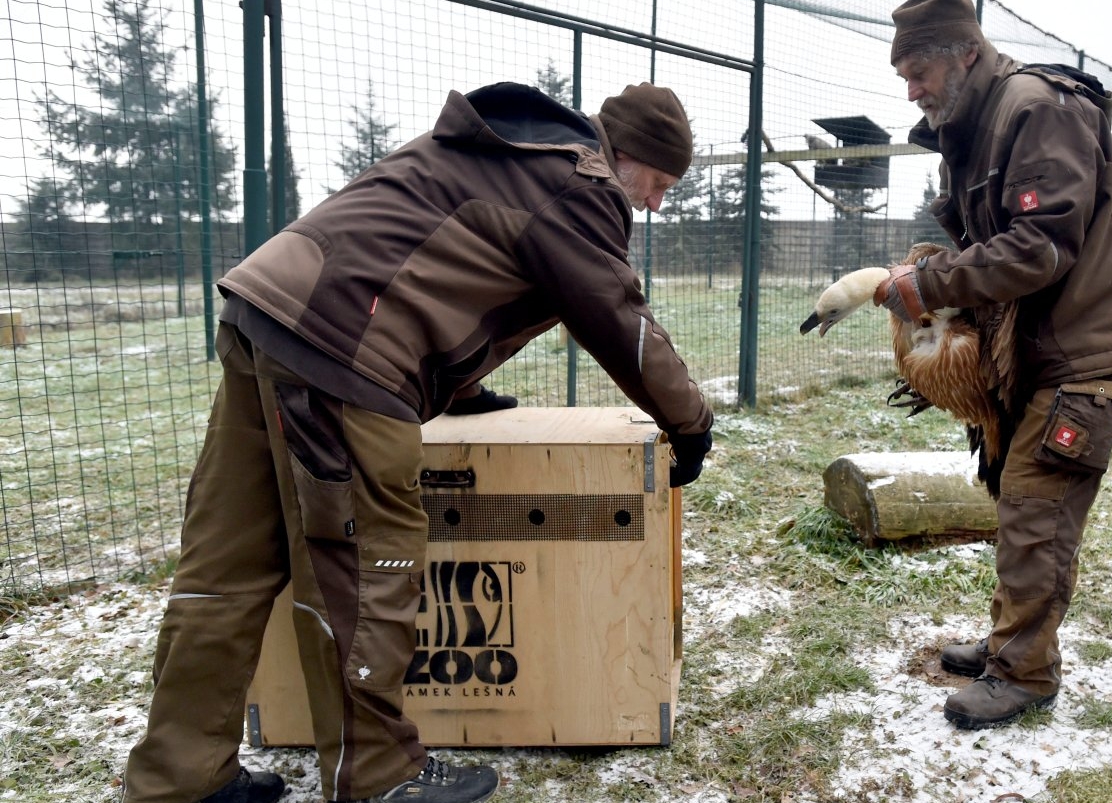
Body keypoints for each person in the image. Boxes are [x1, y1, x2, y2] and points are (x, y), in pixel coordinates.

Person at [123, 81, 715, 803]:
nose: (652, 204)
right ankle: (376, 776)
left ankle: (179, 779)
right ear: (624, 157)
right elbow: (617, 317)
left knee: (228, 563)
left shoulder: (504, 151)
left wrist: (459, 389)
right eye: (657, 184)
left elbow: (426, 252)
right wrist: (690, 423)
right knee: (369, 568)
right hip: (342, 353)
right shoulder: (578, 184)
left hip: (268, 315)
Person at [877, 0, 1112, 730]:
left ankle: (1025, 672)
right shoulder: (980, 122)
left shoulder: (1037, 109)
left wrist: (932, 280)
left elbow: (1042, 244)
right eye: (903, 75)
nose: (910, 90)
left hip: (1084, 345)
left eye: (919, 73)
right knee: (1017, 492)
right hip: (1042, 343)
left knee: (1038, 504)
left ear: (965, 54)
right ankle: (1012, 639)